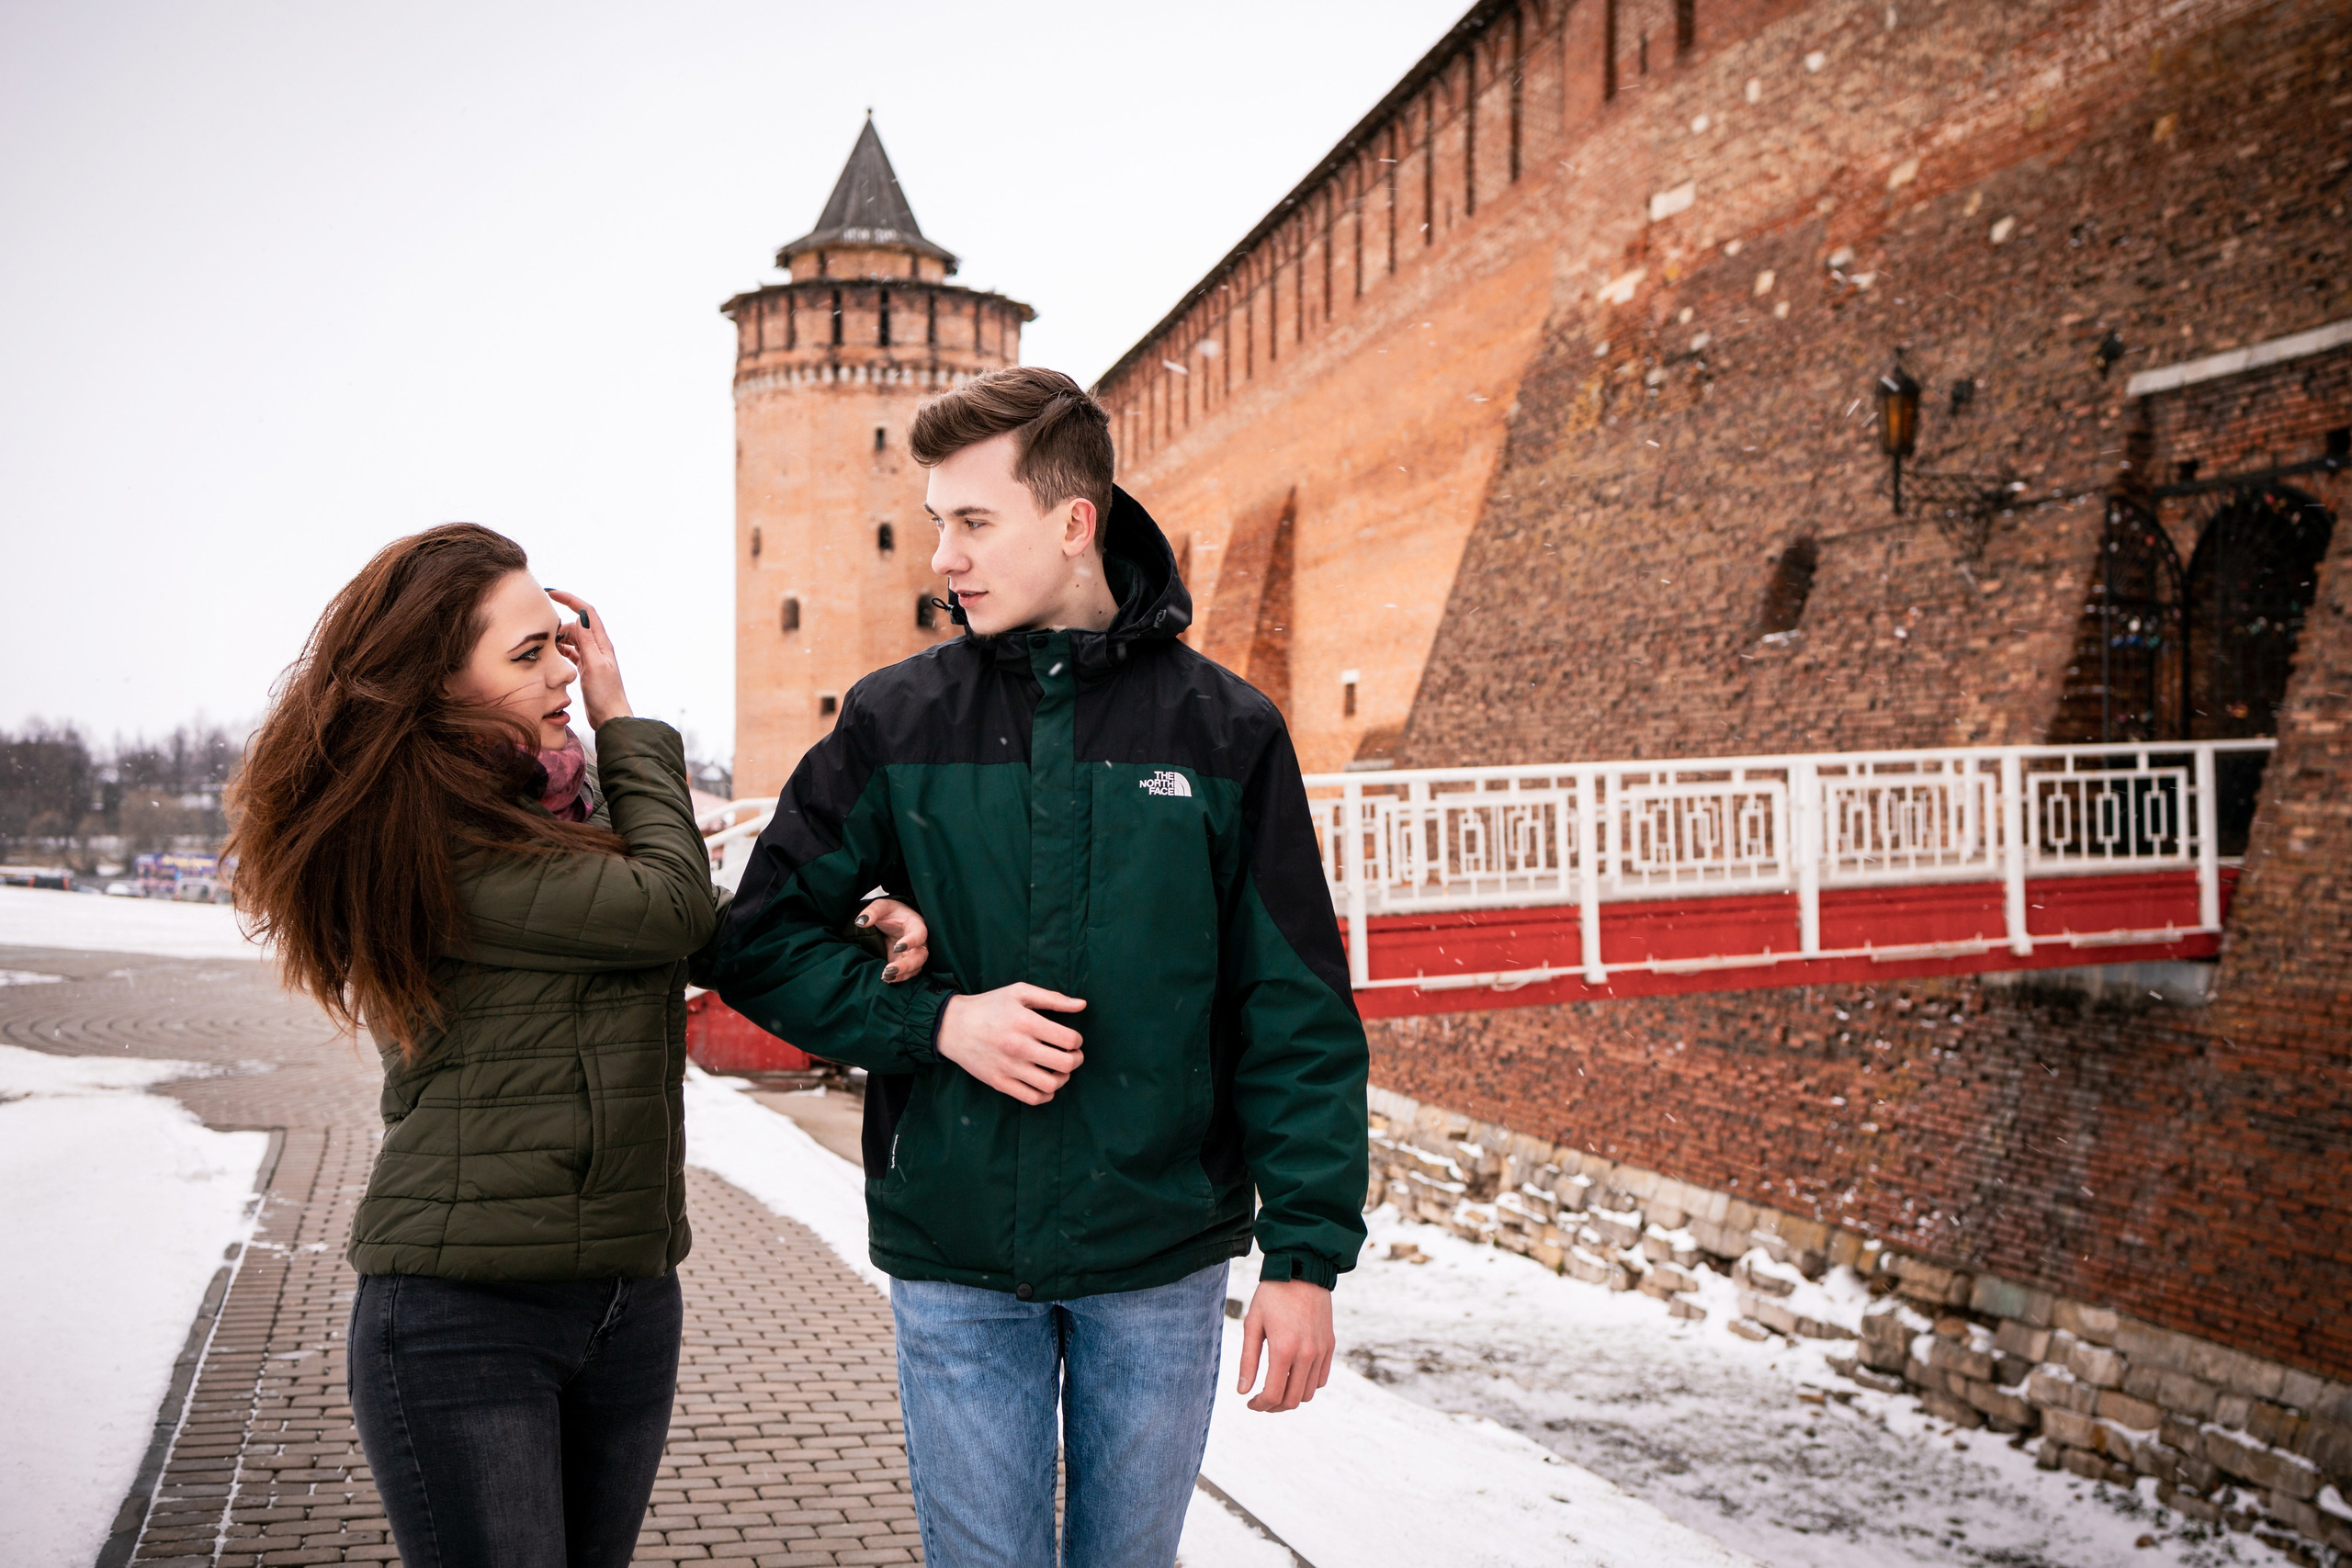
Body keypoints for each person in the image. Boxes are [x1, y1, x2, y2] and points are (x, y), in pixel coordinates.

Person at [699, 367, 1370, 1568]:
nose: (942, 556)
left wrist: (1307, 1253)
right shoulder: (896, 722)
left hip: (1159, 1256)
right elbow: (755, 939)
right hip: (957, 1249)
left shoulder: (1226, 731)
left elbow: (1294, 1006)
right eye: (936, 521)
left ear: (1073, 523)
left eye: (972, 521)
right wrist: (936, 1022)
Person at [228, 523, 717, 1568]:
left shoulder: (561, 813)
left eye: (564, 644)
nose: (568, 677)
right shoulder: (433, 840)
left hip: (627, 1294)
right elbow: (673, 905)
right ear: (437, 679)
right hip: (468, 1318)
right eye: (529, 653)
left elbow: (695, 922)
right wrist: (628, 723)